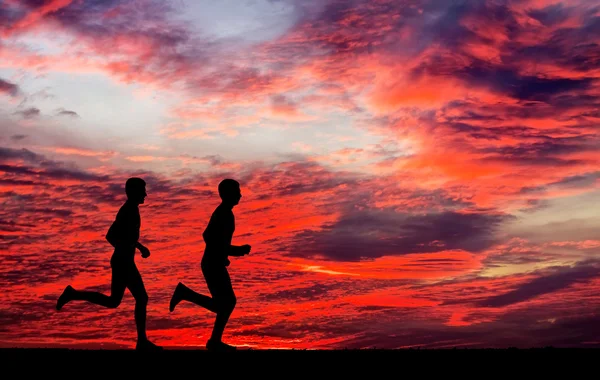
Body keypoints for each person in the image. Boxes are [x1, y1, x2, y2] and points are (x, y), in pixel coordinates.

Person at [55, 177, 162, 351]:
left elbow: (122, 236)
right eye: (143, 190)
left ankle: (73, 294)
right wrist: (125, 249)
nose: (145, 194)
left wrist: (138, 247)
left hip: (124, 260)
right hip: (123, 261)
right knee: (141, 298)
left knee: (114, 301)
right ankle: (142, 341)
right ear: (133, 191)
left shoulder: (131, 210)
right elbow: (111, 235)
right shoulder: (127, 211)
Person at [169, 178, 251, 351]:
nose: (240, 195)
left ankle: (214, 340)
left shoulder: (225, 213)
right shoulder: (223, 213)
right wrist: (237, 250)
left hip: (214, 262)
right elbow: (210, 238)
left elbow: (212, 238)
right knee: (227, 302)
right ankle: (186, 295)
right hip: (212, 264)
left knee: (225, 303)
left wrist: (225, 253)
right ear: (227, 194)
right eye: (237, 191)